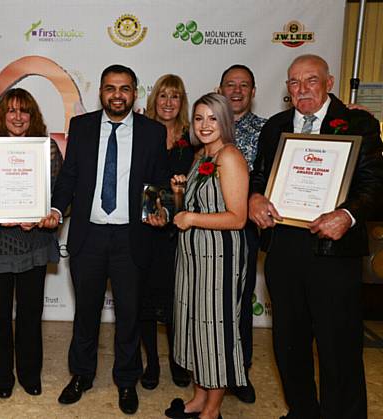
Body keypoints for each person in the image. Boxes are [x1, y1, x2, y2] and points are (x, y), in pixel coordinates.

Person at [249, 54, 383, 419]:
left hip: (333, 250)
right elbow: (260, 177)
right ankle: (302, 411)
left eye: (311, 80)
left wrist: (348, 214)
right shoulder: (276, 126)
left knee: (338, 346)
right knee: (288, 344)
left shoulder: (358, 123)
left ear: (330, 82)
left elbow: (375, 184)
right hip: (284, 248)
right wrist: (255, 198)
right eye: (294, 82)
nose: (301, 88)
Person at [40, 64, 170, 415]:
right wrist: (55, 208)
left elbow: (156, 182)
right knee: (86, 313)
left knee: (129, 315)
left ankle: (126, 381)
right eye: (111, 88)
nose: (117, 95)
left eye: (125, 88)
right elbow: (69, 176)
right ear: (101, 92)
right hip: (89, 236)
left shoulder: (152, 132)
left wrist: (158, 212)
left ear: (134, 92)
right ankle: (81, 375)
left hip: (132, 238)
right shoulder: (81, 127)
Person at [165, 93, 248, 419]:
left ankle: (212, 410)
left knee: (215, 329)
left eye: (213, 118)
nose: (205, 125)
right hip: (194, 257)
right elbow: (191, 208)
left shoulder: (230, 157)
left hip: (220, 259)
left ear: (225, 120)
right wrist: (178, 193)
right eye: (199, 118)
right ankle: (199, 398)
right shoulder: (201, 155)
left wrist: (193, 219)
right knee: (197, 327)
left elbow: (237, 217)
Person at [0, 88, 63, 399]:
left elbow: (58, 194)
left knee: (30, 313)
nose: (18, 117)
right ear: (2, 115)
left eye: (24, 111)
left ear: (34, 116)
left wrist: (44, 214)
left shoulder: (49, 149)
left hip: (35, 242)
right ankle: (1, 376)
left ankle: (30, 373)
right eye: (11, 111)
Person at [139, 74, 193, 391]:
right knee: (145, 298)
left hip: (180, 232)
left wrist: (179, 198)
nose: (168, 102)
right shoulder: (142, 133)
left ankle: (177, 360)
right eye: (163, 95)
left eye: (175, 96)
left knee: (176, 300)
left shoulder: (193, 137)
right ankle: (153, 364)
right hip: (147, 228)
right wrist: (151, 213)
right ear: (154, 99)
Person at [217, 64, 267, 404]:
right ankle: (208, 372)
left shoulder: (269, 130)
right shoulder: (207, 127)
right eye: (230, 85)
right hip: (206, 232)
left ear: (252, 91)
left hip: (243, 233)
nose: (237, 91)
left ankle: (239, 373)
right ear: (220, 89)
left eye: (244, 85)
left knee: (239, 306)